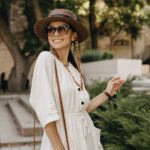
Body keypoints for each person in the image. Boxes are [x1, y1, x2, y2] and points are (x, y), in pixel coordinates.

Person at [29, 8, 125, 150]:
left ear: (74, 36)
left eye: (63, 29)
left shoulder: (74, 70)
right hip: (61, 141)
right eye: (51, 29)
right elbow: (45, 113)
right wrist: (59, 148)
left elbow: (80, 110)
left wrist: (107, 92)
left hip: (84, 138)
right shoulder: (46, 59)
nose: (55, 33)